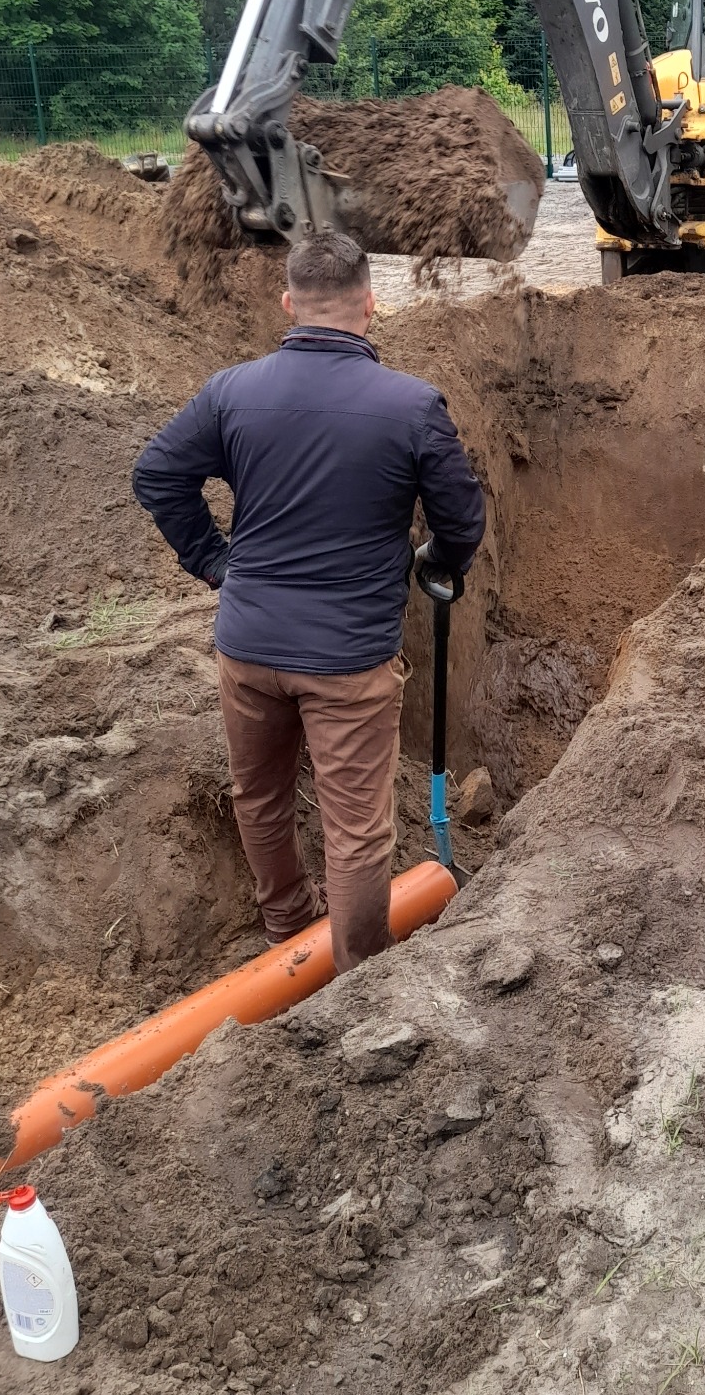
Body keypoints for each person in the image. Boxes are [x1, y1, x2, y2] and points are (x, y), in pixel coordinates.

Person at [132, 230, 485, 974]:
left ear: (289, 304)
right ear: (371, 303)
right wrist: (437, 564)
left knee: (257, 797)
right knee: (356, 832)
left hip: (249, 646)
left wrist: (218, 564)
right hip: (349, 662)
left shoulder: (232, 390)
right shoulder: (412, 405)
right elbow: (462, 521)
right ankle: (358, 972)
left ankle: (286, 929)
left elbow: (158, 474)